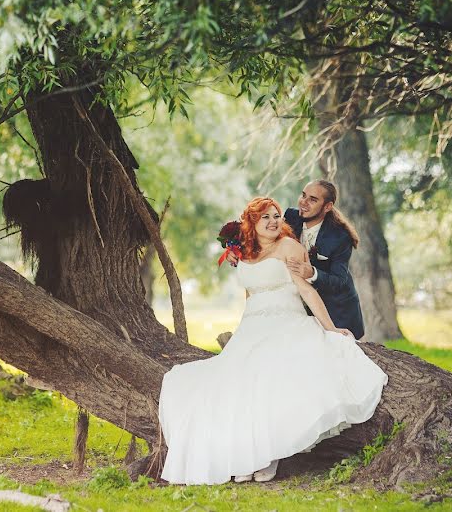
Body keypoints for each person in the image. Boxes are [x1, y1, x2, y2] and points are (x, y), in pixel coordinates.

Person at [158, 197, 387, 485]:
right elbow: (250, 294)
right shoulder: (243, 252)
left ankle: (269, 455)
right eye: (265, 217)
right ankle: (244, 456)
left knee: (269, 377)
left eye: (276, 215)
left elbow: (306, 290)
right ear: (252, 223)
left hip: (287, 323)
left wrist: (330, 328)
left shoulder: (290, 247)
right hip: (253, 326)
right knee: (232, 384)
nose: (273, 221)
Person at [227, 180, 365, 338]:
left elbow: (339, 280)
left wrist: (312, 273)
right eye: (303, 195)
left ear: (327, 206)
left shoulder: (340, 237)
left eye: (312, 199)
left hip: (336, 308)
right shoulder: (291, 217)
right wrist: (234, 249)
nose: (304, 203)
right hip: (293, 309)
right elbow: (258, 232)